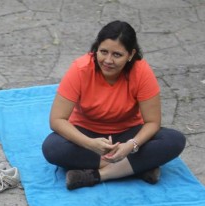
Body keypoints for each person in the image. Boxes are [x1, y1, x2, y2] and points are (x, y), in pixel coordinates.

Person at [42, 21, 186, 190]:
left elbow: (153, 122)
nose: (108, 60)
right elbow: (57, 120)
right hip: (87, 133)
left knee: (174, 140)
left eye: (117, 55)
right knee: (52, 148)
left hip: (128, 134)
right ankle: (136, 167)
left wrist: (131, 145)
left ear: (131, 55)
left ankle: (98, 175)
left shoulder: (141, 72)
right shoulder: (80, 69)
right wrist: (90, 144)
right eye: (103, 52)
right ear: (96, 49)